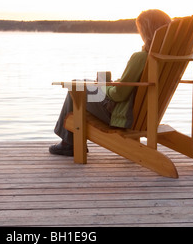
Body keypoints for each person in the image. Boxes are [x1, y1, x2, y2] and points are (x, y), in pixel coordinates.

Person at [49, 9, 172, 156]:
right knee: (81, 83)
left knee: (75, 87)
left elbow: (119, 95)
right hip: (142, 114)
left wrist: (104, 86)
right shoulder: (166, 59)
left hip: (120, 113)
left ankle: (69, 143)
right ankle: (69, 142)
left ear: (146, 31)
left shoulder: (141, 57)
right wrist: (111, 84)